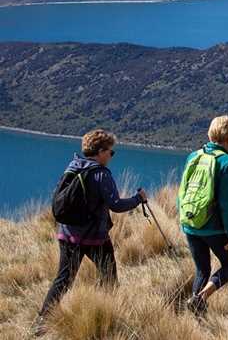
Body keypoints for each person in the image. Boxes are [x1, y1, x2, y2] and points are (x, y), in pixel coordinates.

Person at [35, 130, 147, 331]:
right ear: (101, 151)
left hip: (67, 235)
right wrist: (138, 199)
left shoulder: (73, 166)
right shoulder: (101, 174)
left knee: (63, 279)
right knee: (109, 276)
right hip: (95, 238)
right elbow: (116, 205)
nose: (111, 156)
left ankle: (42, 322)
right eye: (111, 152)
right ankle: (107, 316)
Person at [180, 115, 228, 316]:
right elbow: (225, 203)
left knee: (202, 270)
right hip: (212, 227)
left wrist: (186, 221)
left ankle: (196, 313)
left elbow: (182, 191)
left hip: (190, 223)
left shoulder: (193, 156)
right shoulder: (227, 162)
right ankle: (201, 298)